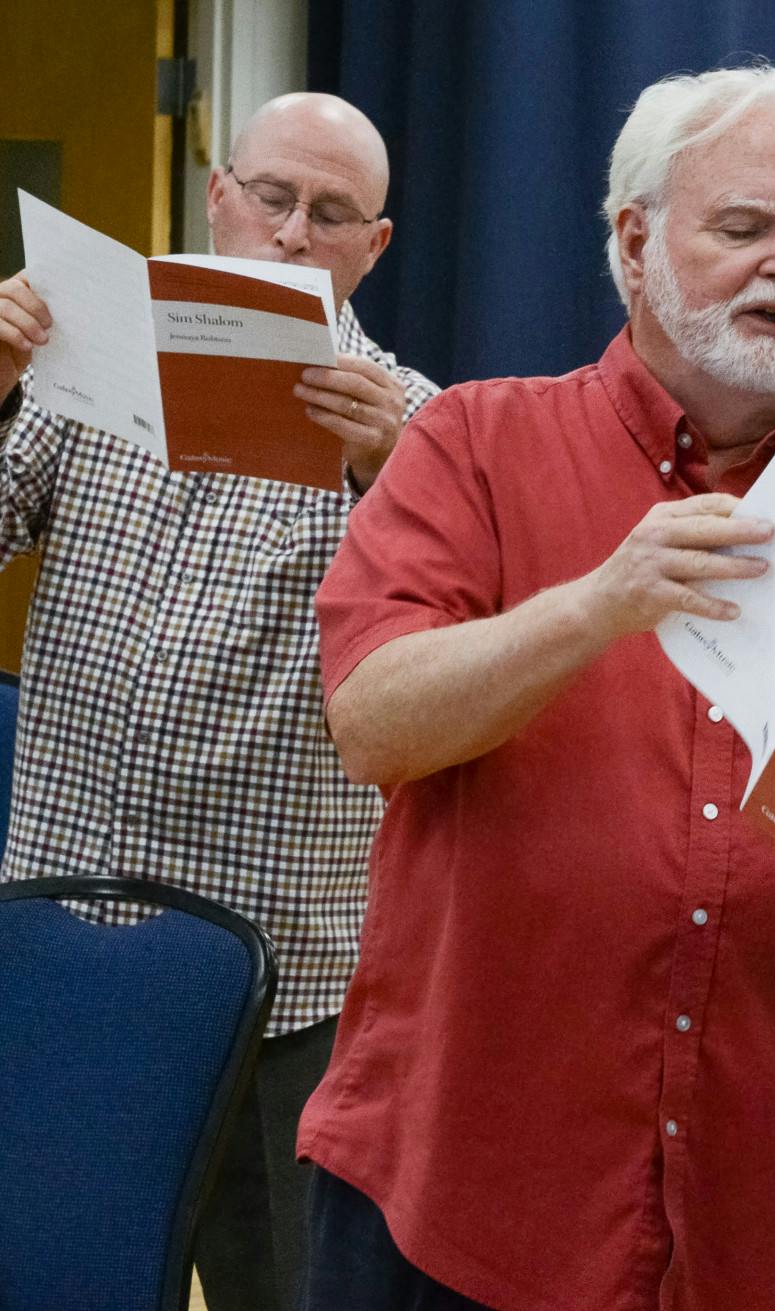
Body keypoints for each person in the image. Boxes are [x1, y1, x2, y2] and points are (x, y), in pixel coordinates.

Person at [294, 66, 775, 1311]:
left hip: (758, 1207)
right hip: (470, 1194)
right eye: (743, 229)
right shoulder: (473, 443)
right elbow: (370, 723)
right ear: (634, 243)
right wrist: (598, 606)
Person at [0, 92, 436, 1311]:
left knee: (280, 1293)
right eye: (273, 197)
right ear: (217, 197)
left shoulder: (422, 431)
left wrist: (387, 472)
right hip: (70, 931)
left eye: (330, 214)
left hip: (283, 982)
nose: (293, 235)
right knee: (49, 1274)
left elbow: (460, 646)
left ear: (373, 248)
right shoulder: (87, 361)